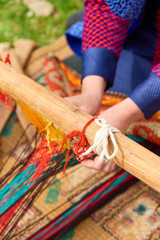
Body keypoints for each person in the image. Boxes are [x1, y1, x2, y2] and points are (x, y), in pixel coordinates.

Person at [65, 0, 160, 172]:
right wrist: (91, 92)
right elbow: (108, 7)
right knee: (77, 21)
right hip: (148, 36)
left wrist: (126, 111)